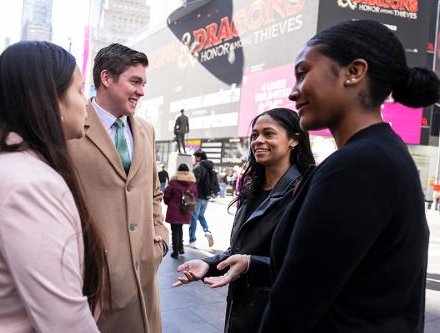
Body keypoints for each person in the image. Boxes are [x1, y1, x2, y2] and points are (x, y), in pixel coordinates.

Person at [259, 20, 437, 332]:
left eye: (303, 73)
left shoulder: (357, 166)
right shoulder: (382, 153)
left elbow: (295, 302)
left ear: (354, 72)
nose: (293, 92)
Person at [0, 41, 106, 332]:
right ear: (50, 100)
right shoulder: (32, 185)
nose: (86, 102)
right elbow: (66, 322)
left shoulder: (0, 162)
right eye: (78, 89)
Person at [172, 108, 315, 332]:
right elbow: (239, 250)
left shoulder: (306, 190)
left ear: (294, 141)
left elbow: (305, 265)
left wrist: (251, 264)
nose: (258, 141)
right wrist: (208, 265)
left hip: (277, 314)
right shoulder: (251, 188)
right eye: (255, 135)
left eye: (269, 134)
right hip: (240, 308)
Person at [68, 43, 169, 333]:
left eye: (144, 83)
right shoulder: (71, 126)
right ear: (106, 78)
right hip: (93, 283)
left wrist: (159, 240)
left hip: (145, 280)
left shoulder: (146, 130)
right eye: (134, 82)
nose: (141, 91)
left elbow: (154, 192)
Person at [163, 163, 197, 259]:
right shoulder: (192, 182)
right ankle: (181, 248)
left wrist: (168, 202)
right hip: (185, 209)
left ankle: (175, 251)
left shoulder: (173, 181)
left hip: (174, 207)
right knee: (180, 228)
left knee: (174, 230)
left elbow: (167, 194)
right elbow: (195, 196)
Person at [189, 149, 217, 247]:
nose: (194, 159)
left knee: (193, 217)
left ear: (199, 157)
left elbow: (194, 183)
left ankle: (192, 240)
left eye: (195, 156)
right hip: (206, 197)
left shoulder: (198, 168)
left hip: (198, 197)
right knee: (201, 216)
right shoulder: (210, 168)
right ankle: (207, 231)